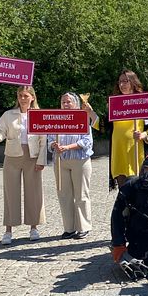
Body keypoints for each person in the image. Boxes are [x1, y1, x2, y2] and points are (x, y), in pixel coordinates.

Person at [0, 86, 47, 245]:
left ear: (32, 97)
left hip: (32, 156)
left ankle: (34, 228)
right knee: (10, 193)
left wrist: (41, 160)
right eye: (20, 96)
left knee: (34, 192)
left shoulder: (39, 115)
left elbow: (43, 140)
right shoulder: (8, 115)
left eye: (26, 96)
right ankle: (8, 230)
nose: (23, 98)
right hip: (12, 156)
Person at [47, 92, 96, 240]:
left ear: (75, 104)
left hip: (79, 160)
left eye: (68, 102)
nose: (65, 104)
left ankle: (84, 227)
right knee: (64, 195)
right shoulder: (56, 120)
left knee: (81, 194)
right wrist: (53, 144)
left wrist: (68, 147)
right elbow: (49, 138)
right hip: (60, 161)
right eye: (63, 102)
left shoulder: (82, 118)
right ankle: (69, 228)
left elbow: (86, 141)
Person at [108, 70, 148, 190]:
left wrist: (143, 135)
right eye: (120, 82)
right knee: (124, 192)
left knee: (139, 191)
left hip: (136, 152)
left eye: (125, 81)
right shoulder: (114, 104)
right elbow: (103, 126)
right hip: (119, 153)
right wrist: (90, 113)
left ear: (133, 82)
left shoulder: (145, 101)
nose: (122, 85)